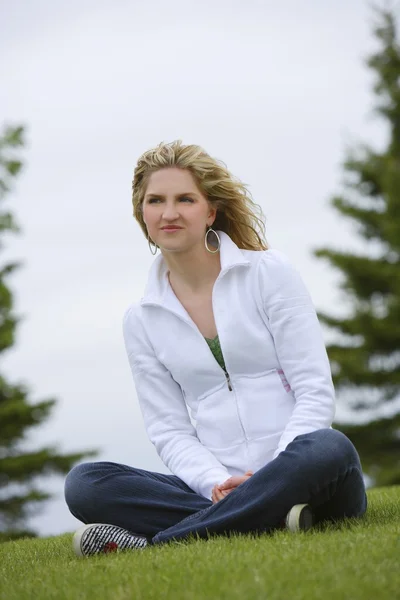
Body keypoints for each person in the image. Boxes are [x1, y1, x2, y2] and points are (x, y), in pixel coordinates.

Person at [64, 140, 368, 557]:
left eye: (185, 199)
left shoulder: (268, 273)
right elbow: (169, 430)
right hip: (213, 490)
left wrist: (269, 476)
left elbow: (315, 391)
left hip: (300, 470)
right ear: (142, 213)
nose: (169, 213)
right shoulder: (142, 319)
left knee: (330, 448)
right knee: (86, 484)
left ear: (210, 210)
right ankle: (270, 518)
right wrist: (213, 483)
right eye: (156, 201)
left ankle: (159, 543)